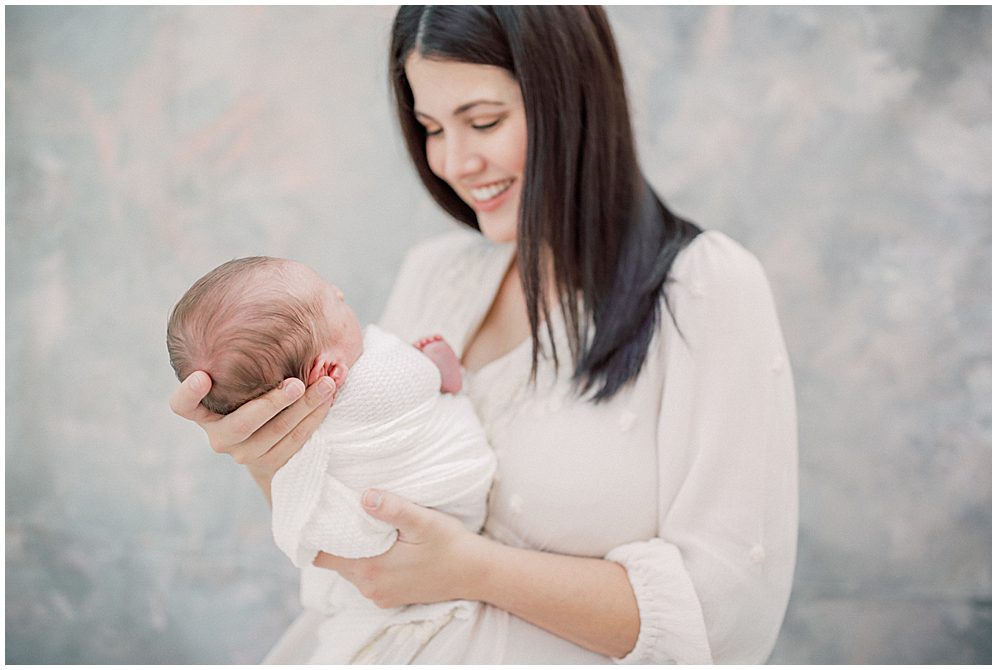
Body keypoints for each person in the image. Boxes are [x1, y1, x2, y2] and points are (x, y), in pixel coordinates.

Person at [169, 6, 798, 664]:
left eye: (484, 121)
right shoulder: (436, 274)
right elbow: (358, 536)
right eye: (431, 127)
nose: (453, 161)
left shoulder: (705, 287)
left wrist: (471, 569)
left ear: (573, 99)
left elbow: (725, 621)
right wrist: (270, 454)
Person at [166, 256, 496, 663]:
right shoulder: (377, 375)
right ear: (329, 369)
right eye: (333, 302)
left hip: (417, 553)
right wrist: (431, 366)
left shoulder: (294, 430)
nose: (341, 294)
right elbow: (421, 380)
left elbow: (302, 503)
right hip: (449, 494)